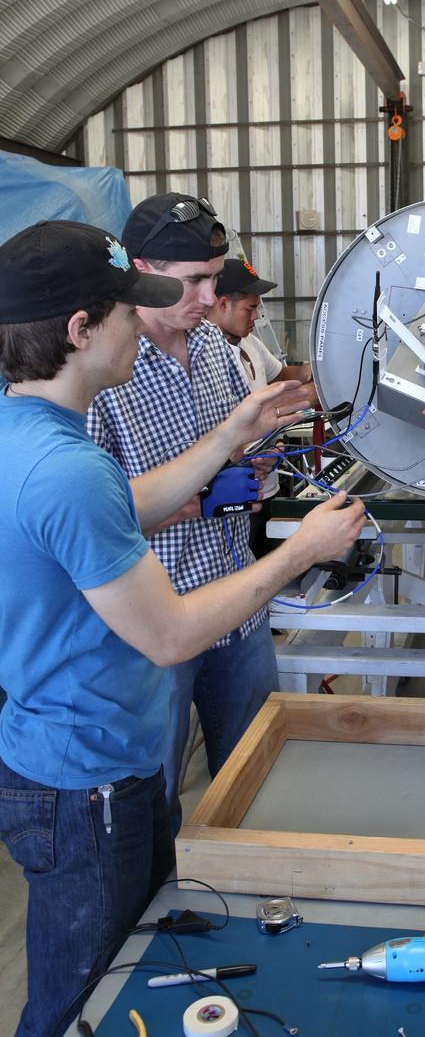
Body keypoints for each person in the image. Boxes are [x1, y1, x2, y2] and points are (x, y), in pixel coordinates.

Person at [0, 219, 364, 1037]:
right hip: (86, 780)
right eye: (129, 309)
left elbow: (119, 511)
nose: (146, 323)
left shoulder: (21, 434)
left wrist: (232, 434)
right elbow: (168, 637)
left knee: (117, 968)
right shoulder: (69, 468)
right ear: (80, 330)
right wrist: (298, 551)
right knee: (77, 997)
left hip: (57, 759)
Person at [86, 194, 315, 830]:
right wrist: (190, 496)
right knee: (149, 796)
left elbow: (240, 445)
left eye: (215, 278)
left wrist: (258, 461)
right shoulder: (103, 369)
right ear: (139, 270)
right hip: (153, 622)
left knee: (258, 772)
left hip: (234, 597)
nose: (211, 296)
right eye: (193, 282)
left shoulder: (215, 346)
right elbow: (93, 514)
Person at [207, 256, 317, 555]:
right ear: (223, 304)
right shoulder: (209, 357)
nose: (256, 316)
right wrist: (320, 390)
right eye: (250, 308)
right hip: (237, 492)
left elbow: (282, 376)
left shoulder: (249, 343)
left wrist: (319, 366)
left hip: (268, 486)